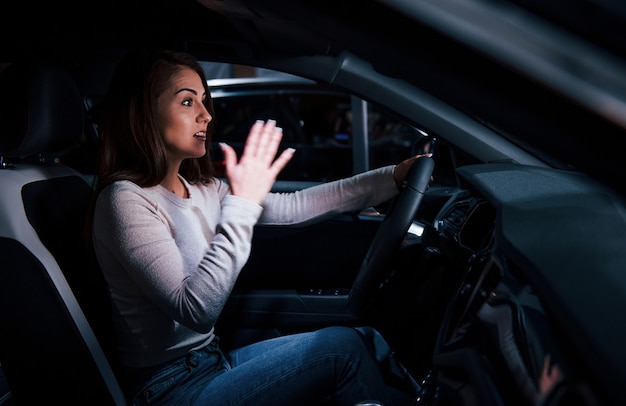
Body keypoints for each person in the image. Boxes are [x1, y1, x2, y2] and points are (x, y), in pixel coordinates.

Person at [90, 48, 430, 405]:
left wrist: (391, 177)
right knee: (341, 351)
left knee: (367, 340)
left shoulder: (201, 189)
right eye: (188, 102)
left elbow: (296, 207)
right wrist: (243, 203)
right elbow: (195, 309)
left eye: (204, 101)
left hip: (210, 362)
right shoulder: (124, 200)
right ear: (144, 113)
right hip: (167, 388)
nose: (206, 115)